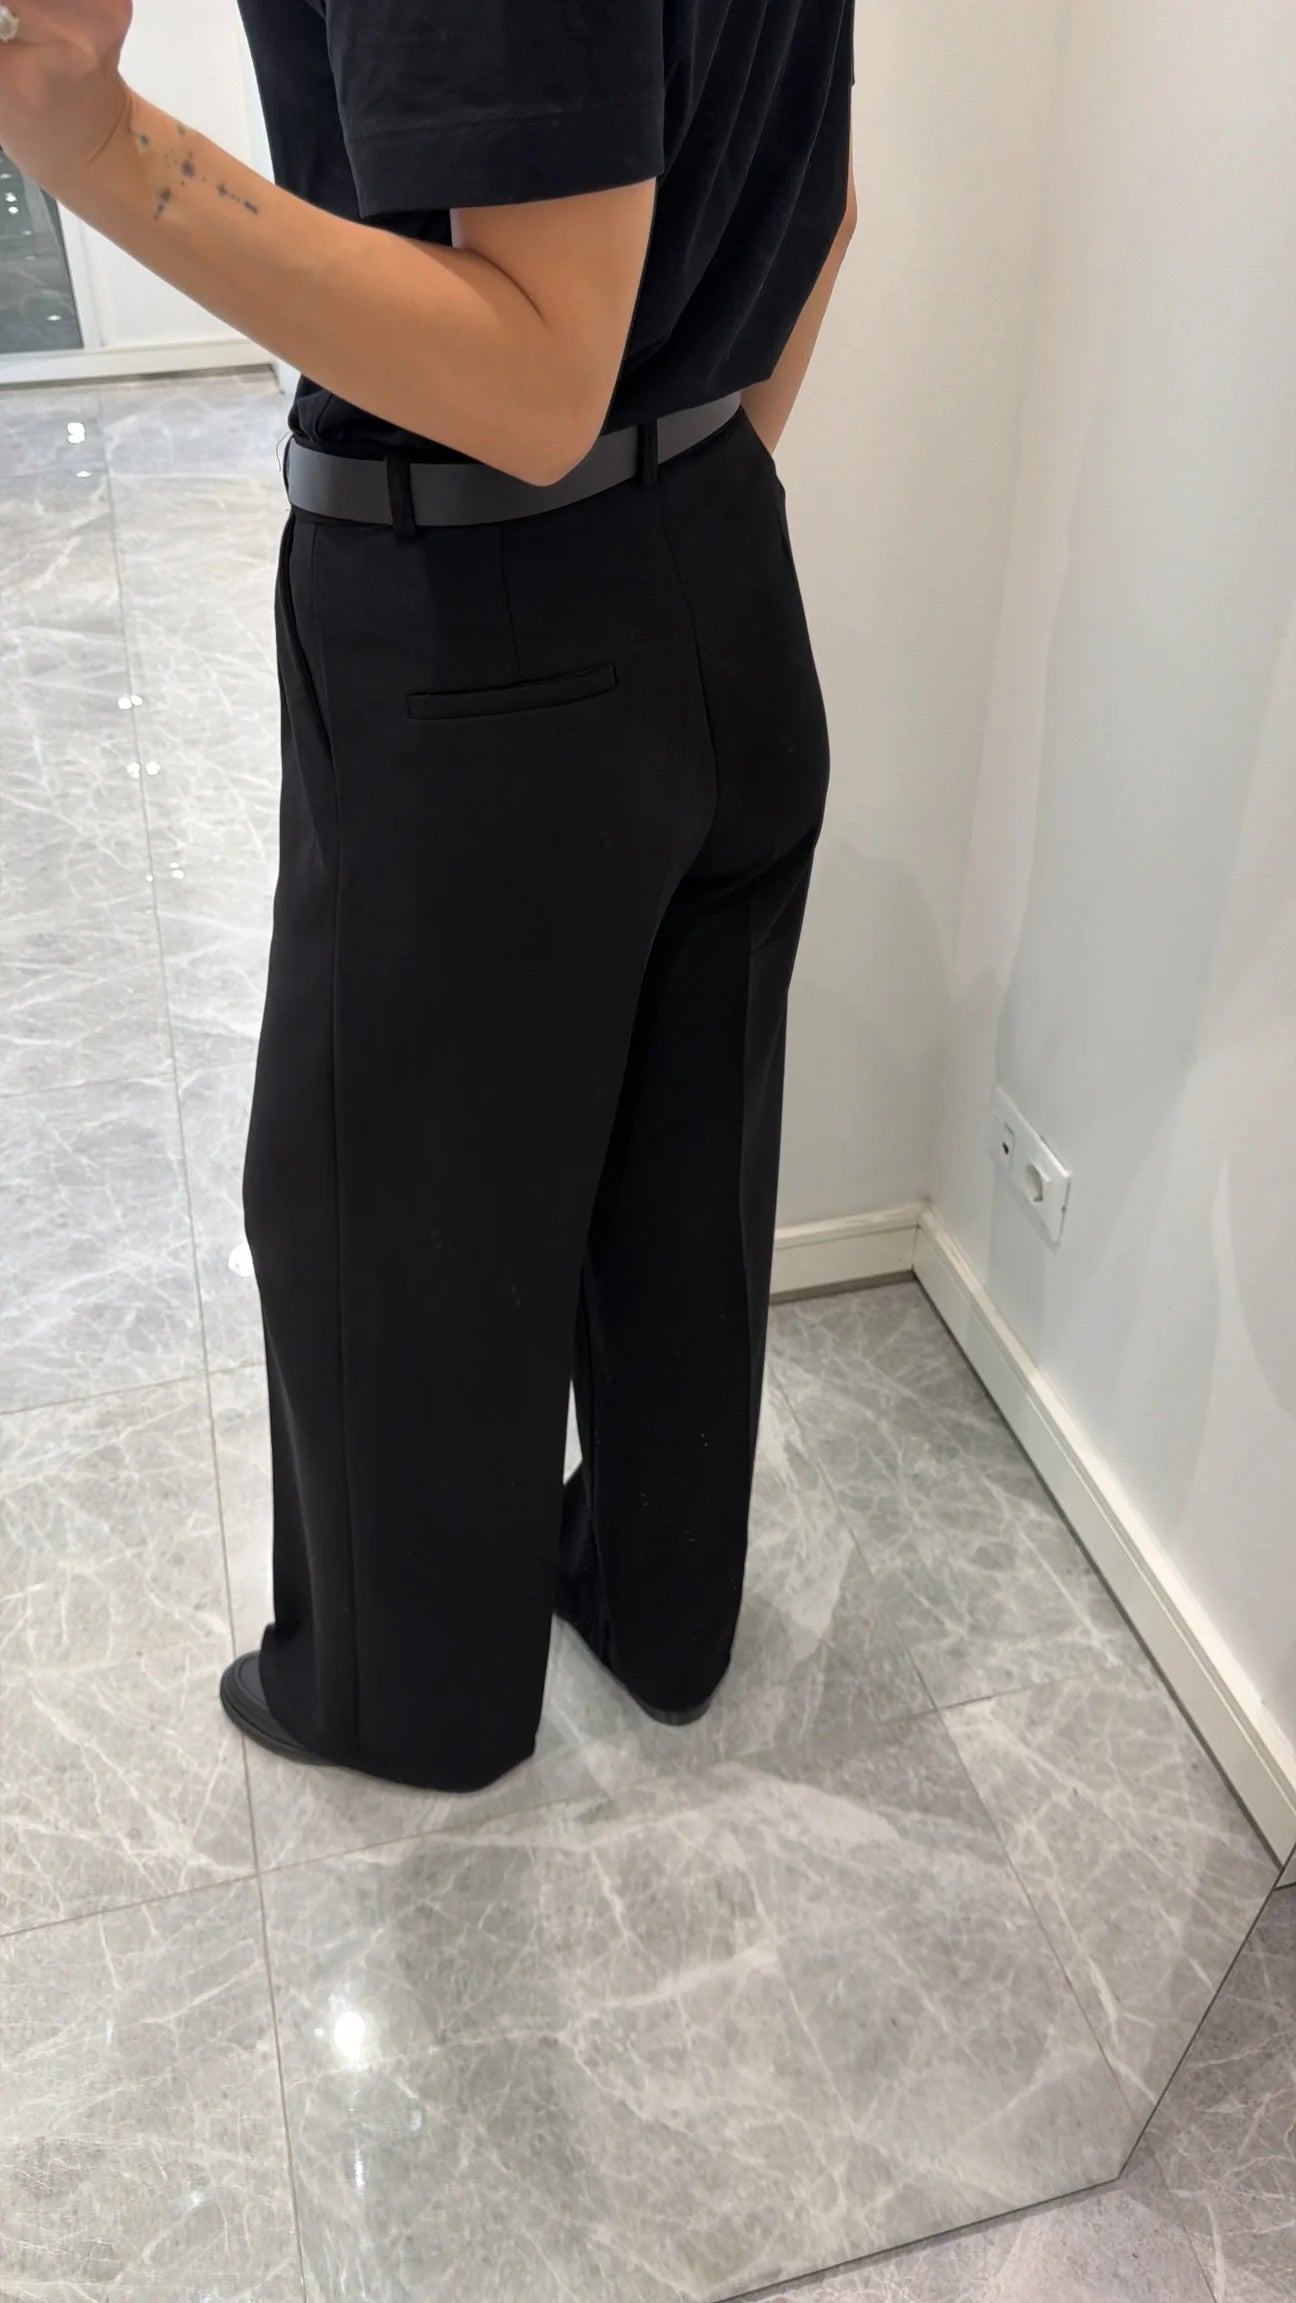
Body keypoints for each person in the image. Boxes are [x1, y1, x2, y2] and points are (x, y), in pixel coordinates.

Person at [0, 0, 857, 1792]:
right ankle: (659, 1611)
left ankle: (407, 1705)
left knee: (375, 1216)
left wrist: (97, 147)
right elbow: (826, 204)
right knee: (684, 1167)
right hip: (721, 551)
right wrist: (688, 509)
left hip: (484, 617)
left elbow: (536, 384)